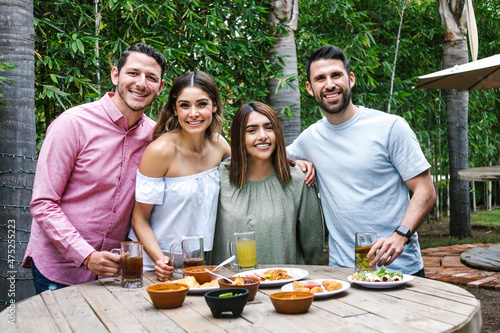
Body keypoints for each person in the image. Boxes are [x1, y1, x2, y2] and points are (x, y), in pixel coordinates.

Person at [23, 43, 166, 293]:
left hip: (115, 274)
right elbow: (43, 202)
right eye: (133, 73)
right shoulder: (73, 124)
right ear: (114, 75)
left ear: (160, 87)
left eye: (151, 78)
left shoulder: (155, 138)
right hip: (60, 269)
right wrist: (87, 255)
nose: (142, 83)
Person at [286, 45, 436, 276]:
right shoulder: (309, 139)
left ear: (351, 78)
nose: (329, 84)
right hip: (345, 273)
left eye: (336, 75)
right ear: (309, 88)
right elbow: (267, 157)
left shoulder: (391, 127)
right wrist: (295, 163)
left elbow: (425, 191)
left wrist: (401, 235)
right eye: (320, 78)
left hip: (399, 269)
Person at [128, 70, 231, 282]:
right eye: (185, 105)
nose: (193, 113)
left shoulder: (219, 145)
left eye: (201, 104)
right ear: (175, 110)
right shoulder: (160, 151)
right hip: (153, 266)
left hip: (197, 264)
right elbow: (139, 219)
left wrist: (296, 161)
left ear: (214, 106)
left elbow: (250, 168)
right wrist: (160, 261)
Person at [211, 101, 325, 266]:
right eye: (252, 130)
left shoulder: (298, 179)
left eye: (269, 127)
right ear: (239, 136)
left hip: (283, 285)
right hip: (230, 286)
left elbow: (313, 247)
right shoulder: (219, 177)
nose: (262, 135)